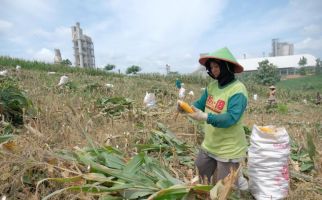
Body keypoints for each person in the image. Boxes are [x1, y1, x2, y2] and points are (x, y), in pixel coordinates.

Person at [179, 47, 248, 190]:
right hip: (210, 144)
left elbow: (231, 118)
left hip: (229, 148)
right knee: (200, 173)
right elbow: (199, 104)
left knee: (224, 188)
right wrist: (185, 107)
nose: (214, 70)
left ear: (226, 67)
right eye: (211, 67)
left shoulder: (238, 90)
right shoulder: (212, 86)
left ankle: (240, 184)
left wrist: (205, 116)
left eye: (217, 66)